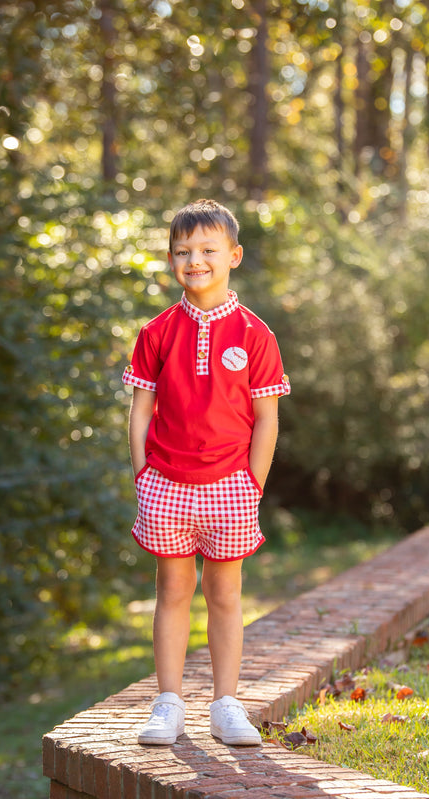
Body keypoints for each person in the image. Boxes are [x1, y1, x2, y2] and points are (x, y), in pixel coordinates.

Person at [122, 199, 290, 746]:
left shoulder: (255, 334)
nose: (195, 260)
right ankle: (168, 703)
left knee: (225, 594)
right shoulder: (157, 331)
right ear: (172, 259)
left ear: (233, 256)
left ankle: (225, 703)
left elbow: (267, 418)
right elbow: (141, 410)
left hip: (231, 487)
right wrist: (142, 473)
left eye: (208, 250)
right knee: (172, 590)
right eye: (183, 251)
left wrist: (253, 484)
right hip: (166, 483)